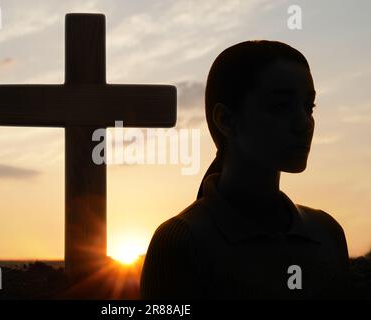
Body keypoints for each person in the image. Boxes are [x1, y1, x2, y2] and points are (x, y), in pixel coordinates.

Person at [140, 40, 350, 299]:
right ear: (225, 120)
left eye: (309, 106)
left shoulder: (326, 232)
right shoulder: (182, 241)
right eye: (281, 106)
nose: (305, 123)